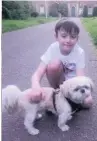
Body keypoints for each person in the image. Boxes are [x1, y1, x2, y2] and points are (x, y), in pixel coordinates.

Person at [28, 19, 93, 108]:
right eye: (64, 36)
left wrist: (83, 94)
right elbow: (38, 71)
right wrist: (35, 86)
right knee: (54, 64)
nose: (68, 40)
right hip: (59, 83)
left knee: (88, 102)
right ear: (56, 36)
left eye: (73, 37)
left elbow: (80, 77)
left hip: (72, 86)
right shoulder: (52, 48)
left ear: (77, 38)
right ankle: (55, 92)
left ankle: (68, 98)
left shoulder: (79, 52)